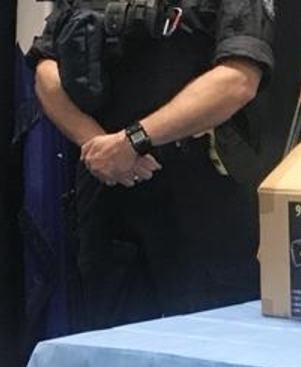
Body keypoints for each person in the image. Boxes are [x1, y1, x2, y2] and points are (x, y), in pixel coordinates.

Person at [28, 1, 274, 333]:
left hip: (200, 197)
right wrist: (100, 146)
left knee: (211, 342)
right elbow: (45, 68)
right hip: (109, 189)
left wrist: (133, 141)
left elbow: (238, 79)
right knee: (109, 345)